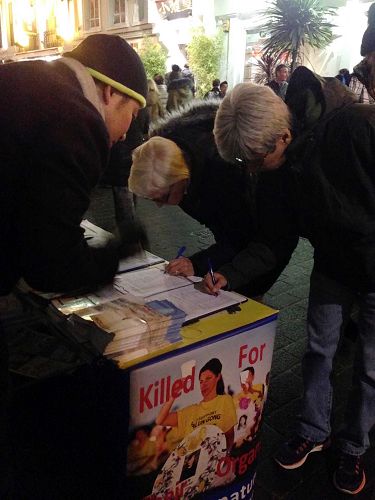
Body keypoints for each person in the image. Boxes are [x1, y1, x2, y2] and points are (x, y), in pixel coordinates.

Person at [204, 67, 375, 495]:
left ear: (282, 136)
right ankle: (314, 429)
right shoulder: (279, 168)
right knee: (318, 351)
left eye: (254, 161)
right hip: (333, 266)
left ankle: (354, 445)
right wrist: (232, 275)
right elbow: (275, 239)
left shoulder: (355, 126)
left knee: (371, 367)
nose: (253, 171)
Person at [0, 33, 148, 497]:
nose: (125, 132)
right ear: (110, 92)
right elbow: (52, 266)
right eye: (132, 114)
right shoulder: (77, 117)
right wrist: (116, 252)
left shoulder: (27, 79)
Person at [129, 99, 290, 297]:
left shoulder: (223, 171)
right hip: (249, 245)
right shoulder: (182, 166)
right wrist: (199, 264)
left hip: (262, 248)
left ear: (181, 178)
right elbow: (227, 232)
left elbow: (248, 237)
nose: (160, 205)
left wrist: (201, 265)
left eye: (163, 196)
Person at [156, 358, 237, 451]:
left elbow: (229, 436)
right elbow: (160, 420)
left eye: (208, 378)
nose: (204, 384)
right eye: (201, 381)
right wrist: (173, 395)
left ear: (218, 377)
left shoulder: (225, 400)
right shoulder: (191, 411)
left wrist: (225, 457)